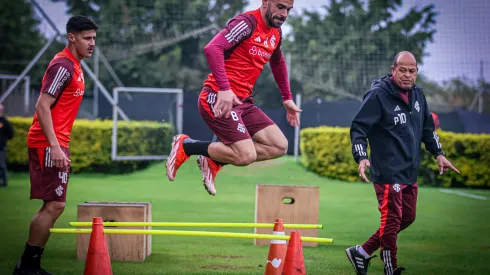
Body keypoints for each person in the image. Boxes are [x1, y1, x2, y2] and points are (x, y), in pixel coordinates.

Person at [166, 0, 301, 196]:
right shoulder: (247, 23)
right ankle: (186, 146)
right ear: (265, 2)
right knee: (246, 155)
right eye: (280, 7)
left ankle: (214, 159)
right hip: (216, 97)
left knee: (279, 146)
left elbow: (278, 62)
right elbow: (212, 48)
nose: (284, 14)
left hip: (243, 103)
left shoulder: (275, 33)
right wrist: (224, 88)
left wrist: (287, 98)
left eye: (288, 9)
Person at [346, 51, 460, 275]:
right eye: (402, 70)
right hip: (387, 171)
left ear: (416, 72)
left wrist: (439, 153)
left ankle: (362, 252)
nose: (407, 75)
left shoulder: (419, 95)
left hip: (409, 171)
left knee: (407, 217)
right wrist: (362, 157)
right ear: (393, 70)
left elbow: (428, 129)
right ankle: (391, 268)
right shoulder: (378, 95)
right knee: (391, 220)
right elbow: (358, 128)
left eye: (412, 71)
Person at [13, 16, 98, 275]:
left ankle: (30, 266)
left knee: (54, 205)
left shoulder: (76, 65)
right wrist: (55, 146)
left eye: (94, 38)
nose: (92, 43)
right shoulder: (63, 65)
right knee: (54, 205)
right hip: (48, 143)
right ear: (71, 37)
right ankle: (27, 267)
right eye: (86, 38)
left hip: (56, 142)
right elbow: (42, 105)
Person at [0, 104, 14, 188]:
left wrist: (3, 140)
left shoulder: (5, 122)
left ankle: (4, 183)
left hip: (1, 147)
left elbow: (11, 133)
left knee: (1, 165)